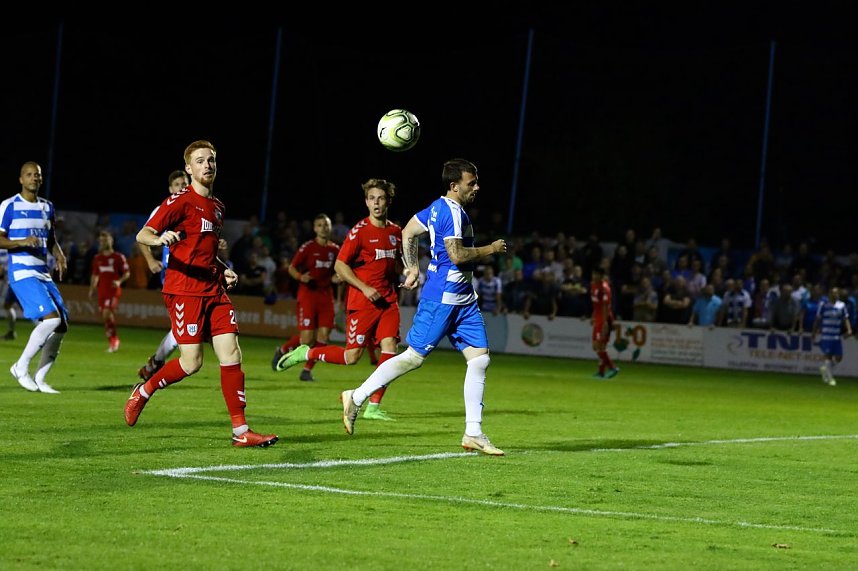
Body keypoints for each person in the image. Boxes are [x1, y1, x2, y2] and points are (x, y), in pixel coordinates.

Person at [338, 159, 507, 455]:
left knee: (479, 360)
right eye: (472, 182)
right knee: (414, 357)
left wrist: (412, 268)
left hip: (463, 298)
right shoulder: (452, 212)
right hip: (443, 297)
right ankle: (357, 395)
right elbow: (456, 255)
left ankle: (474, 433)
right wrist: (491, 249)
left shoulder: (436, 207)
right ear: (454, 186)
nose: (477, 187)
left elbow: (407, 232)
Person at [124, 140, 278, 448]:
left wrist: (224, 269)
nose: (207, 165)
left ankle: (241, 431)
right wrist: (160, 238)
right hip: (184, 292)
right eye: (200, 161)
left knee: (232, 354)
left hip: (214, 290)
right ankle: (144, 390)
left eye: (211, 160)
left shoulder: (218, 207)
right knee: (191, 363)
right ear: (188, 168)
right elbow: (143, 233)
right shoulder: (179, 202)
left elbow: (205, 253)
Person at [277, 179, 403, 420]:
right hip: (362, 301)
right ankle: (306, 354)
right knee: (351, 357)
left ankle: (373, 406)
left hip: (388, 301)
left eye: (381, 198)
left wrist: (408, 274)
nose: (376, 203)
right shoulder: (359, 232)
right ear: (366, 202)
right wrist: (364, 287)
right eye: (372, 198)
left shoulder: (396, 232)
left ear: (388, 201)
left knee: (390, 350)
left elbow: (397, 264)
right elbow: (341, 265)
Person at [0, 161, 68, 394]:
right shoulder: (8, 206)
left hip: (43, 272)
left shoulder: (47, 207)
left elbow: (50, 240)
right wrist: (20, 242)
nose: (34, 178)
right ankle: (20, 366)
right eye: (29, 175)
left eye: (37, 175)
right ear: (21, 179)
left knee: (61, 326)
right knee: (50, 319)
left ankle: (40, 379)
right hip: (21, 271)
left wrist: (59, 255)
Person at [271, 213, 340, 382]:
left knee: (323, 336)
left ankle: (307, 370)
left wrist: (337, 280)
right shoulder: (308, 247)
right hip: (308, 295)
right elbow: (292, 268)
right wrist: (301, 277)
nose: (323, 228)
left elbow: (338, 273)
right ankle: (283, 350)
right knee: (307, 339)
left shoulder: (335, 250)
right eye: (320, 225)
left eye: (326, 224)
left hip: (326, 296)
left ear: (330, 227)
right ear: (314, 228)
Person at [137, 170, 188, 380]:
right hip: (174, 275)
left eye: (185, 183)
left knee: (184, 330)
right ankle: (155, 369)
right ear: (170, 189)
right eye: (177, 184)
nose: (182, 187)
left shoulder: (196, 206)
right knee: (183, 330)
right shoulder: (164, 209)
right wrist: (150, 260)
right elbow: (143, 236)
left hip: (195, 275)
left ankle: (155, 364)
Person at [89, 230, 130, 352]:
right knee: (105, 316)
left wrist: (119, 281)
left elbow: (127, 273)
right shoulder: (97, 258)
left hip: (113, 289)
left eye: (105, 240)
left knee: (107, 313)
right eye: (101, 240)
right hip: (102, 290)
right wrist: (92, 289)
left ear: (110, 241)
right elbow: (95, 275)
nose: (102, 242)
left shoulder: (118, 257)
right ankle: (112, 341)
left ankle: (114, 340)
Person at [813, 287, 852, 386]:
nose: (834, 295)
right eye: (832, 293)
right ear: (829, 294)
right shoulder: (824, 305)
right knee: (828, 356)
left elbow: (845, 318)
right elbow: (818, 319)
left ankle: (825, 369)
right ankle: (830, 379)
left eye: (836, 293)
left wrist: (849, 329)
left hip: (836, 335)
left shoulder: (841, 305)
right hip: (826, 335)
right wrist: (813, 333)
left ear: (838, 294)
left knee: (839, 357)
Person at [590, 265, 619, 379]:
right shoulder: (593, 285)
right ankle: (601, 372)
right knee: (596, 346)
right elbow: (597, 304)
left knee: (599, 346)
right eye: (594, 274)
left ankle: (612, 368)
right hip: (598, 318)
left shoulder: (604, 288)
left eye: (597, 274)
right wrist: (593, 316)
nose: (594, 276)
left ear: (602, 276)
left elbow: (606, 307)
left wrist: (606, 323)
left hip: (604, 319)